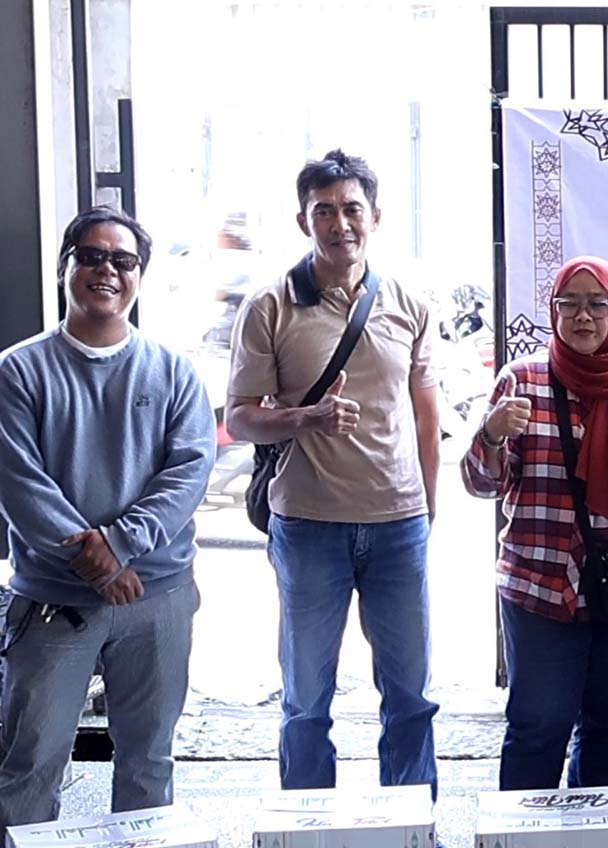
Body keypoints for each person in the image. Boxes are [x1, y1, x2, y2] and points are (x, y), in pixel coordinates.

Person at [225, 150, 442, 794]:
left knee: (410, 696)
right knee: (305, 700)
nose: (340, 223)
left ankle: (412, 823)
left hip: (398, 525)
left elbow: (426, 413)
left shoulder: (408, 301)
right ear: (304, 221)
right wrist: (305, 418)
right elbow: (239, 418)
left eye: (352, 209)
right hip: (308, 525)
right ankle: (307, 823)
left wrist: (427, 507)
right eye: (324, 211)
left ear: (374, 216)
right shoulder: (269, 305)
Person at [0, 207, 216, 828]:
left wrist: (120, 545)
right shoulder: (19, 370)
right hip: (53, 600)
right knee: (30, 763)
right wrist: (94, 563)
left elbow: (189, 471)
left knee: (150, 761)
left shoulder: (172, 371)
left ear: (139, 275)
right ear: (65, 268)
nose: (107, 271)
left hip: (156, 595)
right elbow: (19, 482)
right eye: (91, 256)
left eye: (123, 261)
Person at [461, 256, 608, 789]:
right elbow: (480, 484)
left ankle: (597, 824)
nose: (583, 316)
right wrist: (492, 434)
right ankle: (524, 827)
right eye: (569, 304)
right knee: (538, 726)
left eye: (597, 304)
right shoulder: (520, 381)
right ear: (553, 311)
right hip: (539, 584)